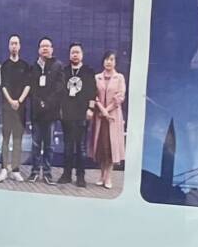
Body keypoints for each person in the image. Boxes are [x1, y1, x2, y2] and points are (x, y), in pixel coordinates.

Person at [28, 38, 63, 181]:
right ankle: (35, 171)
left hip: (50, 112)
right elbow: (32, 89)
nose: (45, 49)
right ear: (38, 50)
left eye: (48, 46)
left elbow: (59, 88)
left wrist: (47, 103)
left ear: (52, 49)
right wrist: (39, 103)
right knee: (35, 144)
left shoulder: (58, 66)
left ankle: (47, 172)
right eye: (42, 46)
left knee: (49, 145)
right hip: (37, 112)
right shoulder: (34, 67)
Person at [91, 51, 126, 191]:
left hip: (113, 117)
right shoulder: (97, 78)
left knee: (111, 147)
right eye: (106, 59)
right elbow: (94, 96)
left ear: (115, 62)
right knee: (101, 147)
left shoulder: (120, 78)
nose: (108, 62)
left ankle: (108, 175)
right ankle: (101, 175)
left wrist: (107, 110)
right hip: (100, 117)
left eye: (111, 59)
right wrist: (102, 109)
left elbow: (120, 97)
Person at [0, 33, 30, 180]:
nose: (14, 46)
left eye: (16, 43)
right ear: (8, 46)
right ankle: (4, 168)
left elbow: (28, 86)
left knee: (18, 139)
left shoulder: (25, 66)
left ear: (20, 46)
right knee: (5, 139)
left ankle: (15, 169)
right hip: (7, 108)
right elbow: (3, 86)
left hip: (20, 109)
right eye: (12, 43)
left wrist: (19, 101)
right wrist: (11, 101)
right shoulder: (4, 66)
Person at [59, 44, 92, 186]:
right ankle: (66, 175)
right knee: (67, 146)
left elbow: (92, 91)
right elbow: (60, 92)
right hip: (67, 114)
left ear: (82, 55)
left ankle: (80, 176)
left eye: (77, 52)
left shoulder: (88, 72)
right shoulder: (64, 71)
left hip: (82, 114)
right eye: (72, 52)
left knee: (81, 147)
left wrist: (90, 109)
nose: (75, 55)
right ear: (69, 55)